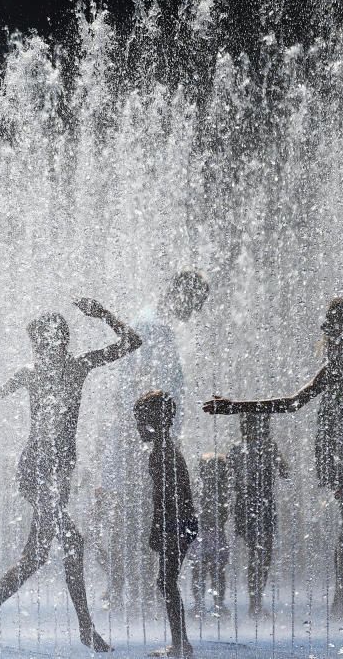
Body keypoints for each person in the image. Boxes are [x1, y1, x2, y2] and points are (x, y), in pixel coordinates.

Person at [204, 292, 343, 658]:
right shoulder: (340, 366)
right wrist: (236, 406)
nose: (324, 329)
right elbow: (293, 402)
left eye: (331, 323)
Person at [0, 297, 142, 654]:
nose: (48, 348)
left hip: (59, 473)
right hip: (35, 471)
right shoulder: (31, 375)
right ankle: (86, 630)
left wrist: (103, 314)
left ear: (65, 341)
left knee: (34, 557)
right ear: (36, 345)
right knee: (71, 544)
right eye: (41, 342)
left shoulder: (78, 368)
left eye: (55, 340)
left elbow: (132, 343)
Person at [97, 271, 209, 609]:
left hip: (149, 439)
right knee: (145, 515)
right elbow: (131, 388)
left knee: (147, 515)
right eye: (193, 303)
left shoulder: (155, 324)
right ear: (179, 294)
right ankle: (143, 592)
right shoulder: (153, 327)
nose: (194, 312)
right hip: (144, 442)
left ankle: (142, 591)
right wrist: (144, 440)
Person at [135, 390, 198, 658]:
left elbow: (167, 497)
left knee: (166, 582)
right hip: (181, 522)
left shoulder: (162, 453)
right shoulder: (166, 449)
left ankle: (181, 644)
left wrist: (158, 528)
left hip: (175, 523)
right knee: (166, 582)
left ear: (152, 421)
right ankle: (180, 642)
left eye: (140, 421)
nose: (138, 428)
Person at [227, 413, 288, 618]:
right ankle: (255, 603)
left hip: (250, 506)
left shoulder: (239, 449)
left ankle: (255, 602)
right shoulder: (266, 448)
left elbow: (230, 481)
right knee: (261, 554)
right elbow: (285, 472)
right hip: (258, 506)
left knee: (258, 554)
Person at [188, 452, 231, 618]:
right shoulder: (222, 489)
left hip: (199, 536)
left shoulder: (198, 486)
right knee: (217, 572)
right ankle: (219, 604)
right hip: (217, 536)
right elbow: (224, 514)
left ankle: (199, 605)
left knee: (198, 572)